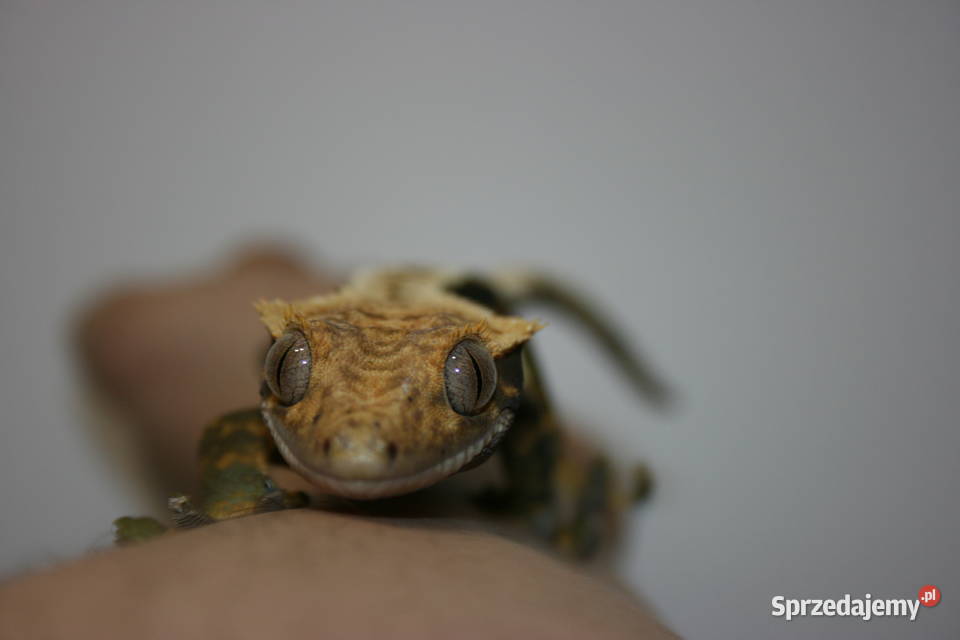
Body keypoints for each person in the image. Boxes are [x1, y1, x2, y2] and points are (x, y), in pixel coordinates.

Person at [0, 248, 678, 639]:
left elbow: (530, 423)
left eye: (467, 382)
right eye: (290, 373)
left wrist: (533, 490)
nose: (359, 446)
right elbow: (236, 429)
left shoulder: (518, 402)